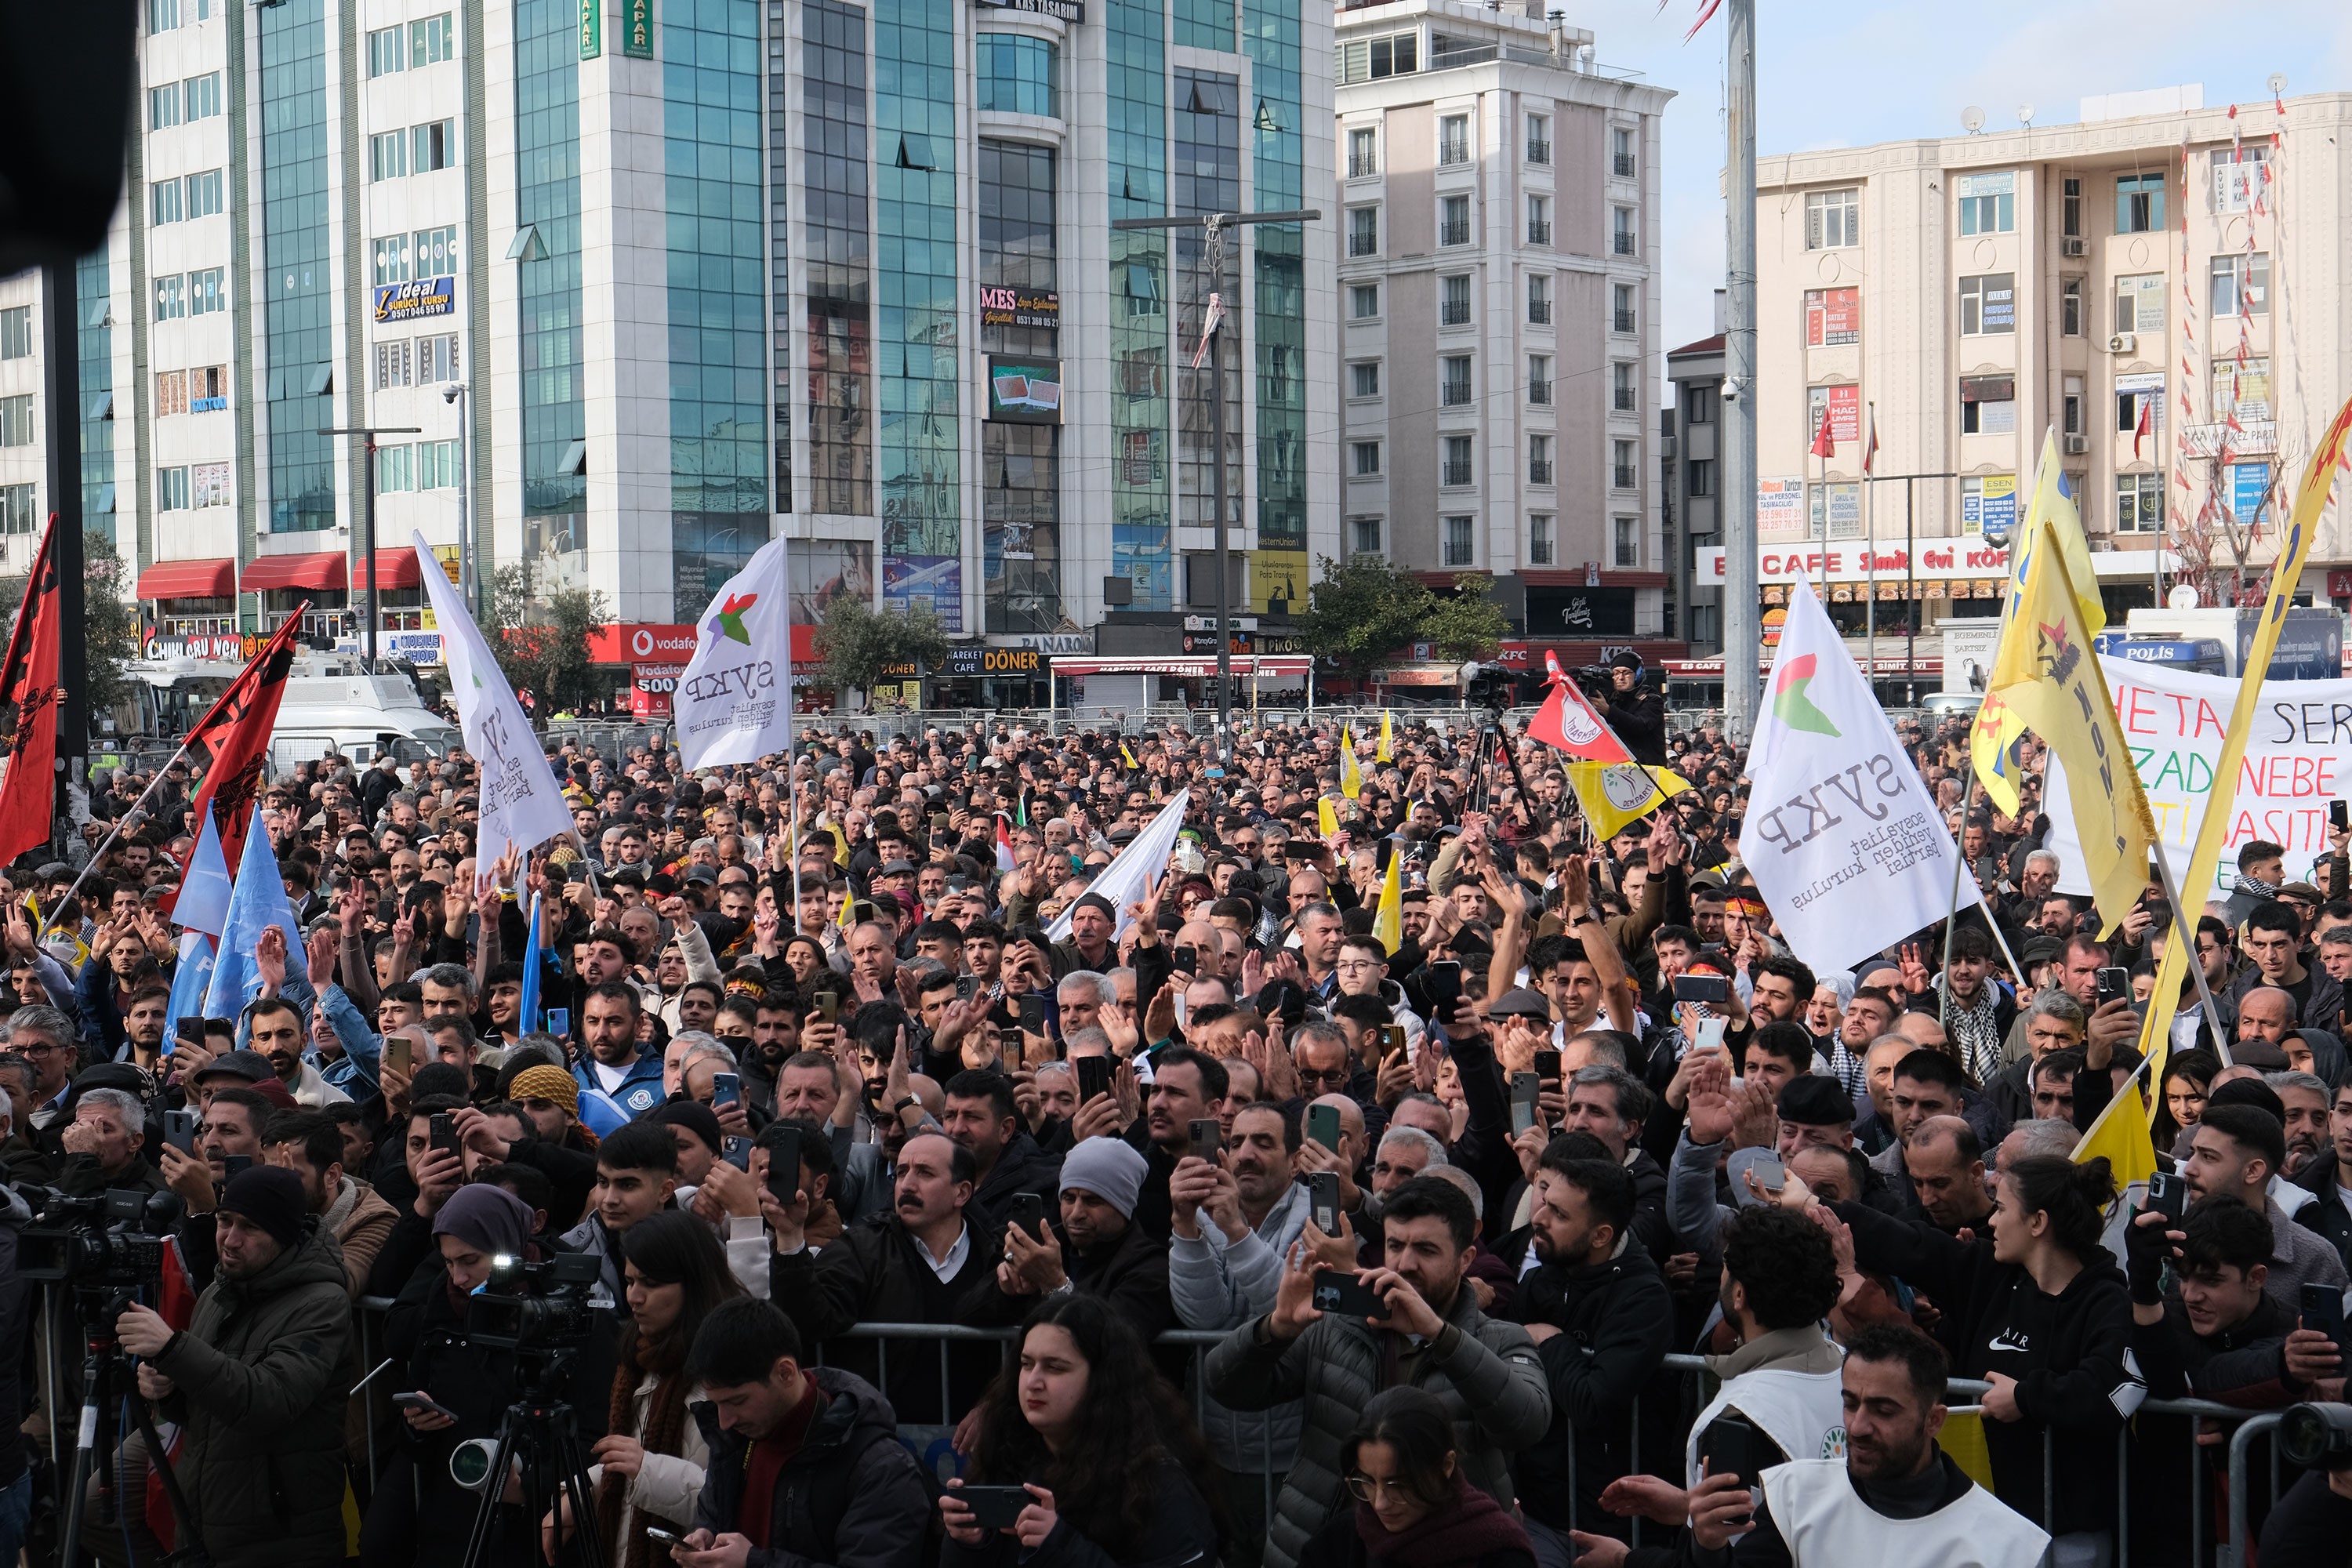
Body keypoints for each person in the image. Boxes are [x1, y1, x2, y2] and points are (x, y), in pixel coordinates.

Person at [1205, 1176, 1551, 1568]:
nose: (1406, 1264)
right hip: (1318, 1545)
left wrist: (1439, 1336)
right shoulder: (1335, 1326)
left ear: (1466, 1259)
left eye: (1426, 1249)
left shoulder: (1501, 1341)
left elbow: (1527, 1424)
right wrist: (1277, 1328)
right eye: (1395, 1245)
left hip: (1449, 1553)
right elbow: (1225, 1385)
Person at [1831, 1154, 2138, 1559]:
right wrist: (1812, 1205)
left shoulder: (2105, 1299)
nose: (1991, 1220)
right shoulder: (1988, 1272)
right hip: (1977, 1522)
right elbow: (1908, 1244)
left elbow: (2117, 1388)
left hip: (2063, 1538)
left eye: (2003, 1208)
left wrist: (2026, 1398)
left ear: (2037, 1222)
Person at [1573, 1325, 2053, 1568]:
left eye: (1884, 1410)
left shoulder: (2006, 1546)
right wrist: (1705, 1543)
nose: (1858, 1426)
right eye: (1850, 1403)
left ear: (1935, 1420)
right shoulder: (1794, 1496)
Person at [110, 1167, 354, 1568]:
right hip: (209, 1523)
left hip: (279, 1539)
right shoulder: (219, 1290)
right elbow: (205, 1409)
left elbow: (269, 1401)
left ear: (285, 1234)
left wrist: (173, 1348)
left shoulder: (322, 1302)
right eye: (225, 1221)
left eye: (251, 1228)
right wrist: (170, 1388)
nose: (231, 1239)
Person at [940, 1294, 1223, 1568]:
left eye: (1055, 1368)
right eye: (1027, 1364)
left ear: (1101, 1379)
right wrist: (970, 1544)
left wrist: (1059, 1544)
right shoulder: (1005, 1450)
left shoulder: (1155, 1482)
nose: (1033, 1382)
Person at [766, 1128, 1025, 1425]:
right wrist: (789, 1237)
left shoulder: (998, 1255)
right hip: (879, 1443)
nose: (907, 1185)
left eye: (925, 1173)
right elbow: (807, 1320)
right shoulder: (861, 1249)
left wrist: (996, 1405)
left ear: (962, 1192)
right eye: (902, 1172)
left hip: (979, 1448)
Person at [550, 1212, 745, 1568]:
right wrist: (580, 1493)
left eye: (650, 1284)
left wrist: (647, 1469)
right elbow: (630, 1467)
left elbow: (739, 1494)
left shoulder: (731, 1368)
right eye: (629, 1281)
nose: (634, 1297)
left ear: (694, 1283)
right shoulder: (640, 1358)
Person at [677, 1296, 930, 1568]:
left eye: (737, 1401)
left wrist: (754, 1563)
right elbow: (712, 1514)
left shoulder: (882, 1467)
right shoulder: (736, 1438)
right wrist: (706, 1535)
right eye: (716, 1404)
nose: (724, 1420)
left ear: (785, 1373)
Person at [1507, 1149, 1670, 1566]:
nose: (1539, 1219)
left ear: (1601, 1236)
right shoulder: (1542, 1278)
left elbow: (1594, 1402)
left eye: (1559, 1214)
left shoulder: (1642, 1298)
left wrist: (1551, 1341)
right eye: (1544, 1202)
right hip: (1539, 1508)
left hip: (1612, 1523)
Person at [1298, 1387, 1535, 1568]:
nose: (1380, 1503)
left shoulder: (1498, 1554)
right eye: (1367, 1482)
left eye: (1398, 1485)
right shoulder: (1342, 1540)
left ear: (1446, 1465)